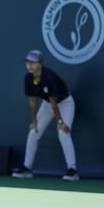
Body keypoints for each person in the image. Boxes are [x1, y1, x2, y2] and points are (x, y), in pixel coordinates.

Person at [12, 50, 79, 181]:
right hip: (48, 104)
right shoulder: (28, 78)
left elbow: (55, 104)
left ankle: (72, 170)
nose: (30, 65)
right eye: (28, 62)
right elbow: (32, 101)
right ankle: (27, 168)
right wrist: (34, 121)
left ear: (40, 63)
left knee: (63, 133)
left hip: (65, 103)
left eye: (33, 62)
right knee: (33, 132)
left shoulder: (49, 77)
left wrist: (60, 122)